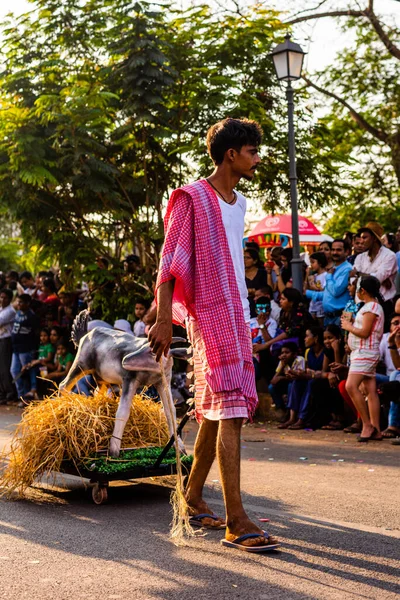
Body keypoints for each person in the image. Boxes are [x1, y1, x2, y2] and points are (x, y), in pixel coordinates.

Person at [149, 117, 279, 551]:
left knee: (218, 408)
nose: (256, 159)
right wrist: (164, 318)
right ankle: (236, 520)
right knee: (233, 410)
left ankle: (191, 497)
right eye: (252, 151)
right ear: (231, 153)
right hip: (210, 314)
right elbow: (171, 260)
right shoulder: (192, 197)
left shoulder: (239, 203)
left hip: (237, 313)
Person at [342, 275, 385, 441]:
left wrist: (349, 326)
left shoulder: (371, 307)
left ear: (363, 291)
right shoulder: (372, 306)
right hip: (364, 352)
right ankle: (376, 428)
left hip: (364, 353)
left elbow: (365, 332)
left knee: (351, 386)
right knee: (370, 390)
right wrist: (353, 323)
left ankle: (367, 424)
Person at [279, 327, 325, 429]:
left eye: (307, 336)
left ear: (316, 338)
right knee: (296, 382)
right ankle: (292, 417)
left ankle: (302, 418)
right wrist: (297, 374)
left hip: (320, 380)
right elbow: (307, 370)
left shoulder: (324, 351)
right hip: (310, 377)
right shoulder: (308, 352)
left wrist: (308, 374)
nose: (305, 339)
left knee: (310, 384)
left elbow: (324, 372)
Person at [352, 222, 397, 320]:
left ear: (374, 238)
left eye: (365, 238)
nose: (361, 241)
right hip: (361, 304)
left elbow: (376, 279)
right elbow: (352, 280)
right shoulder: (360, 257)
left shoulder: (389, 255)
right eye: (361, 237)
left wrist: (359, 274)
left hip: (383, 304)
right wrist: (371, 278)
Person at [305, 239, 352, 326]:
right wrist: (308, 293)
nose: (335, 252)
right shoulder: (335, 267)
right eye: (333, 249)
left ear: (346, 252)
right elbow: (328, 294)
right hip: (328, 317)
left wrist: (328, 276)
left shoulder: (347, 269)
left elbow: (335, 291)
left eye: (338, 250)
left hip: (339, 317)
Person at [10, 294, 39, 403]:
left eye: (21, 302)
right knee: (14, 371)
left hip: (26, 349)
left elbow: (35, 335)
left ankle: (27, 397)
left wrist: (33, 351)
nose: (19, 304)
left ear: (27, 303)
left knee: (25, 372)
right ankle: (20, 395)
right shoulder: (17, 313)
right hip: (16, 348)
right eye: (18, 302)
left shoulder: (32, 316)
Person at [268, 342, 305, 416]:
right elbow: (273, 381)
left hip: (299, 384)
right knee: (271, 387)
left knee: (291, 386)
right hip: (287, 383)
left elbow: (298, 377)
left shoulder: (300, 360)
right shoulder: (282, 361)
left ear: (294, 354)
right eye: (282, 353)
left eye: (287, 352)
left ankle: (289, 412)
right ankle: (282, 410)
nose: (284, 355)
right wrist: (282, 365)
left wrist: (282, 378)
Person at [0, 289, 17, 404]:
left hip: (6, 340)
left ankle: (9, 392)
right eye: (1, 297)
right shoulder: (2, 309)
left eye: (5, 297)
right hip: (1, 339)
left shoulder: (10, 311)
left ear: (10, 299)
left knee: (5, 368)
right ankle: (2, 392)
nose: (2, 300)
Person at [306, 251, 327, 326]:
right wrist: (307, 275)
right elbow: (306, 289)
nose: (311, 265)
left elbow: (324, 290)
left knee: (321, 325)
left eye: (313, 262)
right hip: (313, 305)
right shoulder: (314, 275)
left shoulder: (326, 275)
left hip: (320, 305)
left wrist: (314, 286)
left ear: (320, 263)